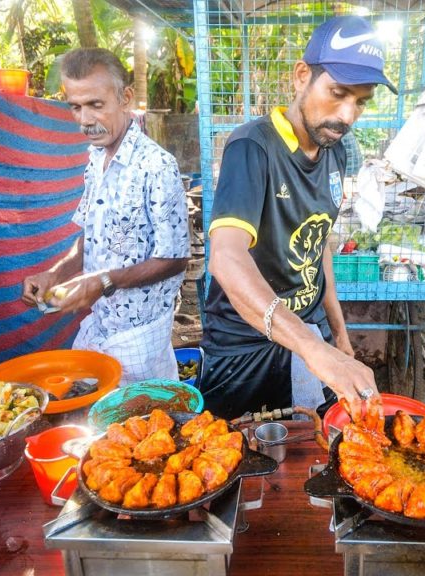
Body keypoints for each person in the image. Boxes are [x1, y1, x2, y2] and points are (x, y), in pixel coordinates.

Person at [198, 16, 396, 419]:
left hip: (308, 328)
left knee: (311, 447)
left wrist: (337, 334)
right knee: (241, 454)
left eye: (360, 101)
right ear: (302, 75)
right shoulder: (252, 148)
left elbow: (319, 242)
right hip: (244, 343)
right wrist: (311, 348)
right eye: (338, 93)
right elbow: (226, 257)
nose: (347, 115)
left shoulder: (336, 151)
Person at [21, 48, 190, 384]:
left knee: (145, 425)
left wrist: (102, 282)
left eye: (96, 105)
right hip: (99, 325)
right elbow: (93, 234)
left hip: (139, 336)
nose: (85, 119)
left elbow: (174, 258)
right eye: (75, 106)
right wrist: (55, 274)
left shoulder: (156, 166)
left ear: (124, 98)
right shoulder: (94, 161)